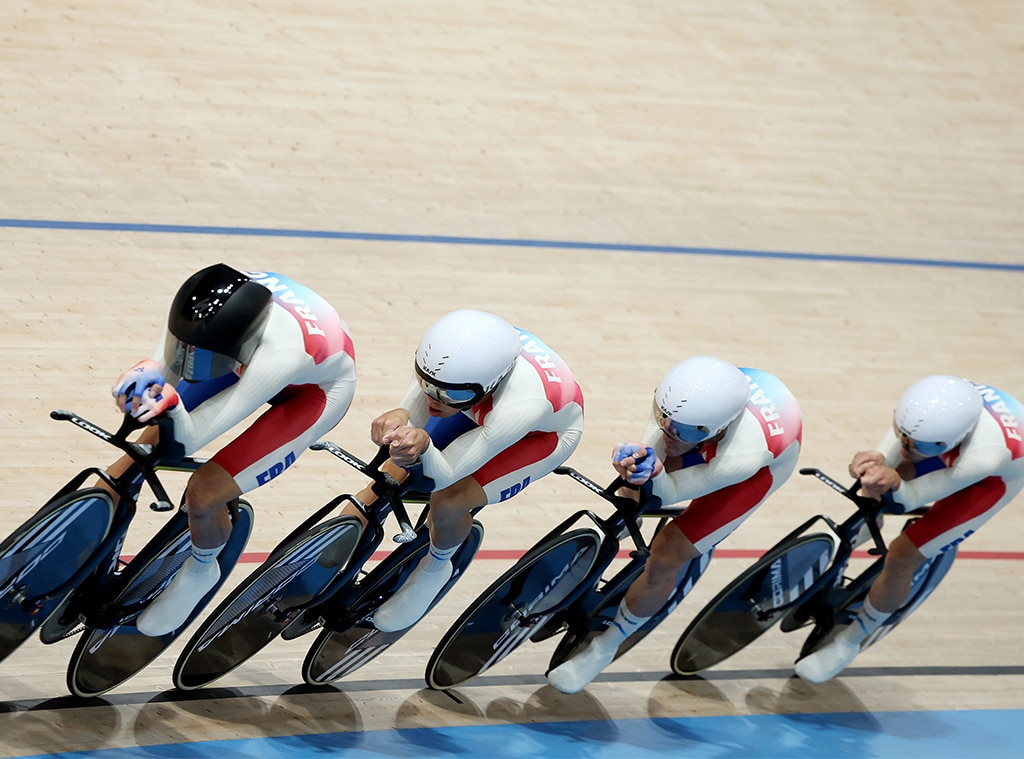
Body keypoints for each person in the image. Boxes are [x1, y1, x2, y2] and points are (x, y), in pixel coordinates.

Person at [107, 263, 357, 637]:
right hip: (233, 347)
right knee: (144, 448)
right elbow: (167, 369)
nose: (195, 366)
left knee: (205, 493)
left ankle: (201, 569)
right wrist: (142, 375)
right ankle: (92, 532)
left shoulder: (280, 354)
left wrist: (170, 407)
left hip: (314, 391)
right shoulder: (196, 310)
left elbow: (190, 439)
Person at [547, 356, 802, 694]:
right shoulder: (681, 409)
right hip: (710, 429)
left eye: (679, 429)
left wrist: (652, 473)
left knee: (667, 554)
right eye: (662, 418)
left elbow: (669, 491)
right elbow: (654, 454)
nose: (667, 431)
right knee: (630, 493)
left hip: (759, 470)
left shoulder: (742, 456)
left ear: (717, 428)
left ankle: (606, 646)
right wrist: (635, 464)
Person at [343, 308, 584, 633]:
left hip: (540, 435)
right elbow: (428, 398)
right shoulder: (450, 366)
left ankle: (437, 567)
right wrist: (401, 420)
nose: (433, 398)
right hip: (477, 403)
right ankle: (325, 550)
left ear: (490, 383)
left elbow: (445, 474)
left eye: (450, 392)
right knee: (392, 473)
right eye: (426, 382)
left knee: (448, 499)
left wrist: (425, 444)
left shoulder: (523, 403)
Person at [795, 374, 1024, 683]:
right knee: (890, 470)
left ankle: (852, 640)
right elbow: (900, 448)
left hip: (991, 481)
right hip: (953, 445)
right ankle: (872, 517)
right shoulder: (925, 413)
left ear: (949, 440)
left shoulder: (986, 456)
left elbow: (912, 496)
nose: (908, 446)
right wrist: (876, 460)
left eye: (920, 444)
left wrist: (896, 484)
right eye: (903, 434)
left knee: (903, 555)